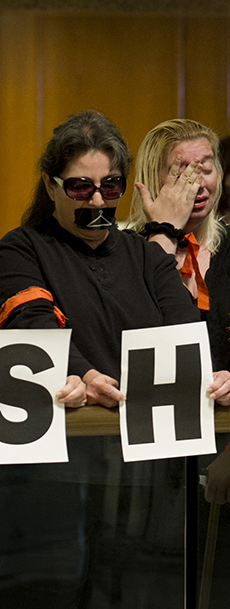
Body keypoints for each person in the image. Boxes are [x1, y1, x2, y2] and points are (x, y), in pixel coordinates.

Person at [0, 110, 205, 607]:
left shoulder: (143, 254)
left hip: (150, 465)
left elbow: (188, 334)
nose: (96, 200)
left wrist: (213, 372)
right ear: (50, 188)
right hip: (62, 468)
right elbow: (34, 328)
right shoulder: (21, 248)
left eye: (110, 187)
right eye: (79, 188)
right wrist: (83, 373)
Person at [126, 120, 230, 503]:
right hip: (138, 455)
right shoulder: (123, 252)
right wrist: (164, 234)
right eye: (180, 169)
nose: (196, 182)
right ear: (152, 179)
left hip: (227, 444)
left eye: (206, 167)